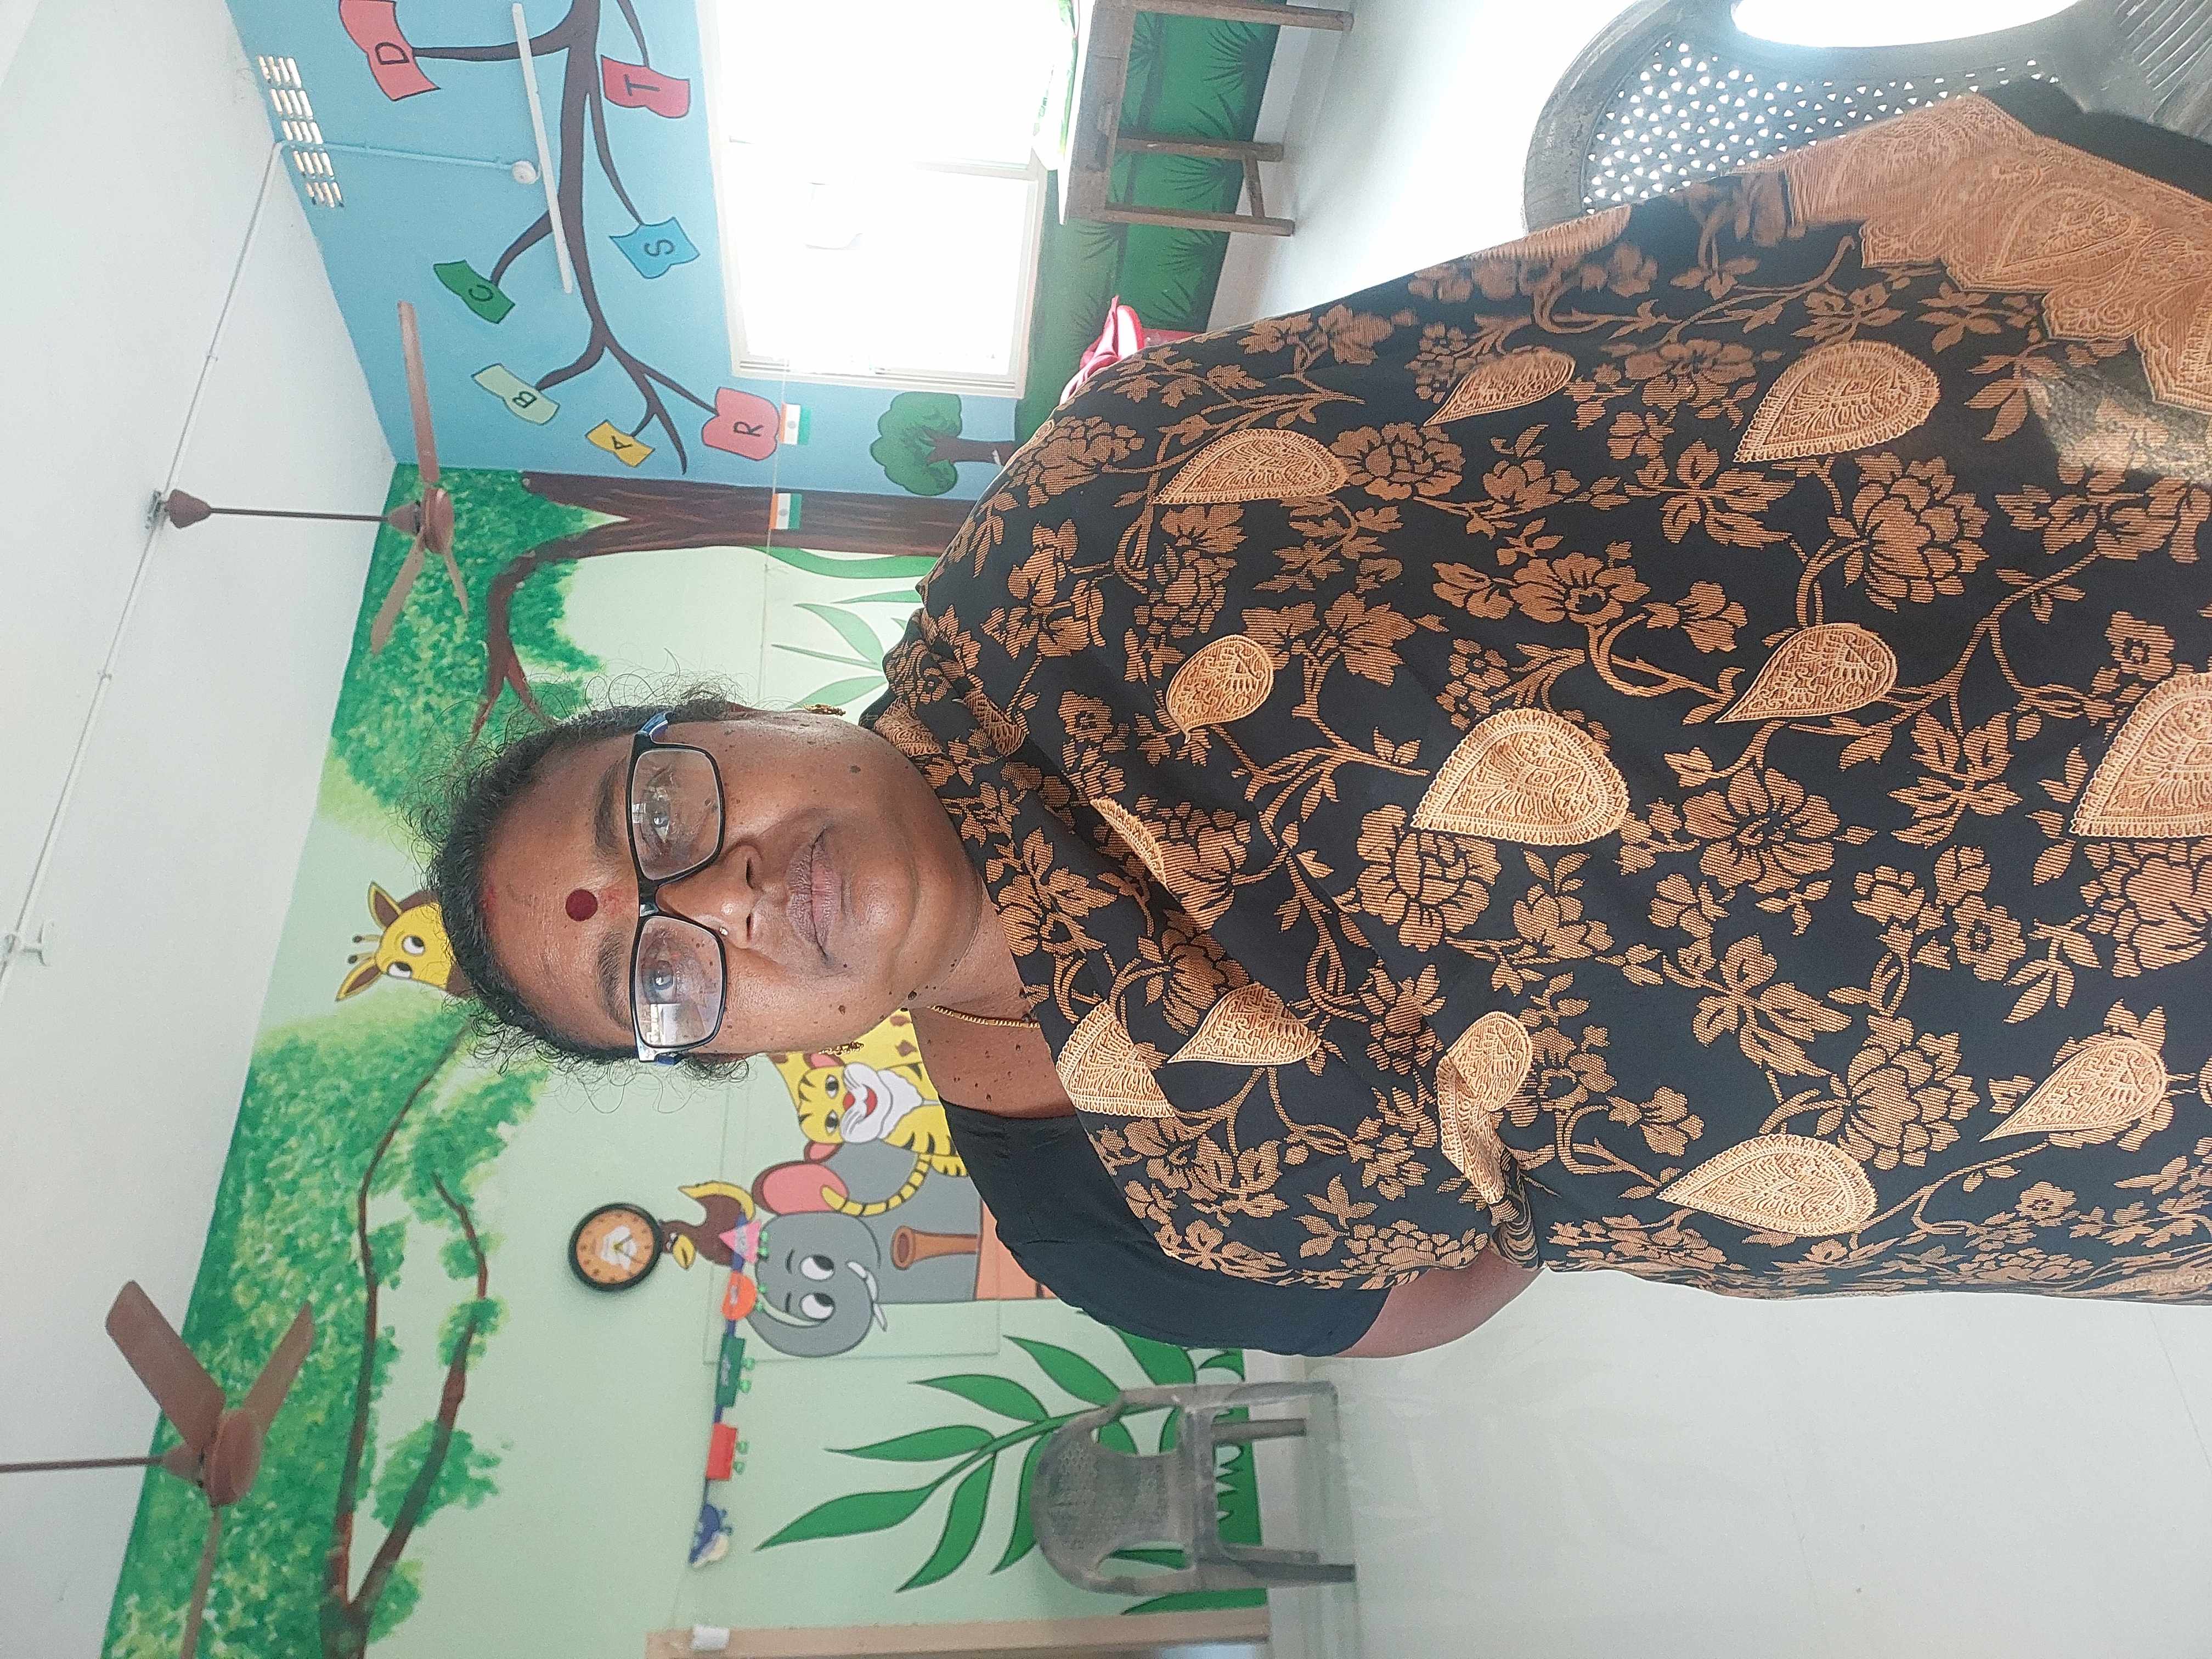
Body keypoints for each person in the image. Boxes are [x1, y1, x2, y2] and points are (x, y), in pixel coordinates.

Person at [428, 88, 2212, 1357]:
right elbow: (1437, 1297)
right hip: (2074, 1106)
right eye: (658, 978)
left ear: (736, 715)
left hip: (2068, 620)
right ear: (739, 1051)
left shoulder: (1092, 517)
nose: (722, 900)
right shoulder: (1088, 1224)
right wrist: (1592, 1080)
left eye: (654, 819)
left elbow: (1584, 365)